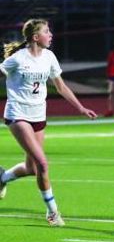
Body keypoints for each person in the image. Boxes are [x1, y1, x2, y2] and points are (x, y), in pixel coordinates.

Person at [0, 19, 97, 226]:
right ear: (36, 37)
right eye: (47, 31)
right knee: (43, 164)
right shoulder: (17, 59)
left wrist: (80, 108)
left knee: (33, 169)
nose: (51, 34)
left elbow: (61, 87)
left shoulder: (49, 57)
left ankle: (2, 178)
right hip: (18, 115)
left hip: (38, 116)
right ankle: (52, 213)